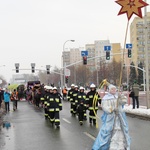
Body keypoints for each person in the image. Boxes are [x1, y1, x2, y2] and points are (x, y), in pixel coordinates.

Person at [92, 84, 130, 150]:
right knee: (108, 131)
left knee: (120, 130)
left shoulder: (117, 97)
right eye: (112, 89)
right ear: (109, 90)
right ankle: (106, 146)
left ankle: (120, 146)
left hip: (119, 117)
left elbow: (123, 102)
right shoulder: (105, 98)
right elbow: (105, 107)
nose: (114, 90)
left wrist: (122, 96)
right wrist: (112, 109)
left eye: (115, 89)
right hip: (110, 118)